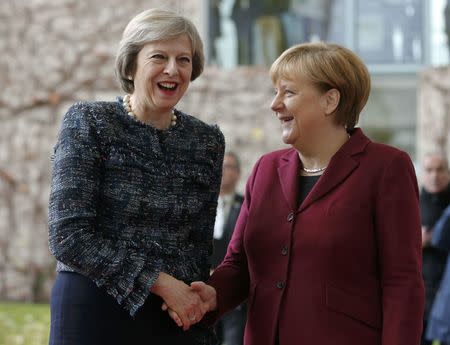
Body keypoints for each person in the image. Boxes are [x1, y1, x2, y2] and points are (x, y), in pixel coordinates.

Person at [180, 42, 425, 345]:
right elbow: (238, 264)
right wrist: (213, 294)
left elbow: (402, 283)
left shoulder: (387, 168)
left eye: (289, 93)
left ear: (330, 100)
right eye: (276, 92)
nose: (275, 104)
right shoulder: (265, 170)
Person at [47, 8, 224, 345]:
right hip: (94, 309)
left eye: (183, 59)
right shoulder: (89, 122)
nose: (173, 69)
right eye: (159, 56)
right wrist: (159, 282)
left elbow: (199, 246)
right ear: (131, 65)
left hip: (172, 317)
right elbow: (69, 235)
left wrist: (195, 310)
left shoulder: (207, 141)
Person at [211, 152, 245, 345]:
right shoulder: (204, 204)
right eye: (221, 166)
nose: (224, 171)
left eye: (229, 167)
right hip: (204, 286)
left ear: (238, 173)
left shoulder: (246, 204)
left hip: (233, 296)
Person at [419, 152, 450, 345]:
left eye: (439, 170)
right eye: (429, 170)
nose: (434, 175)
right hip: (422, 291)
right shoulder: (411, 203)